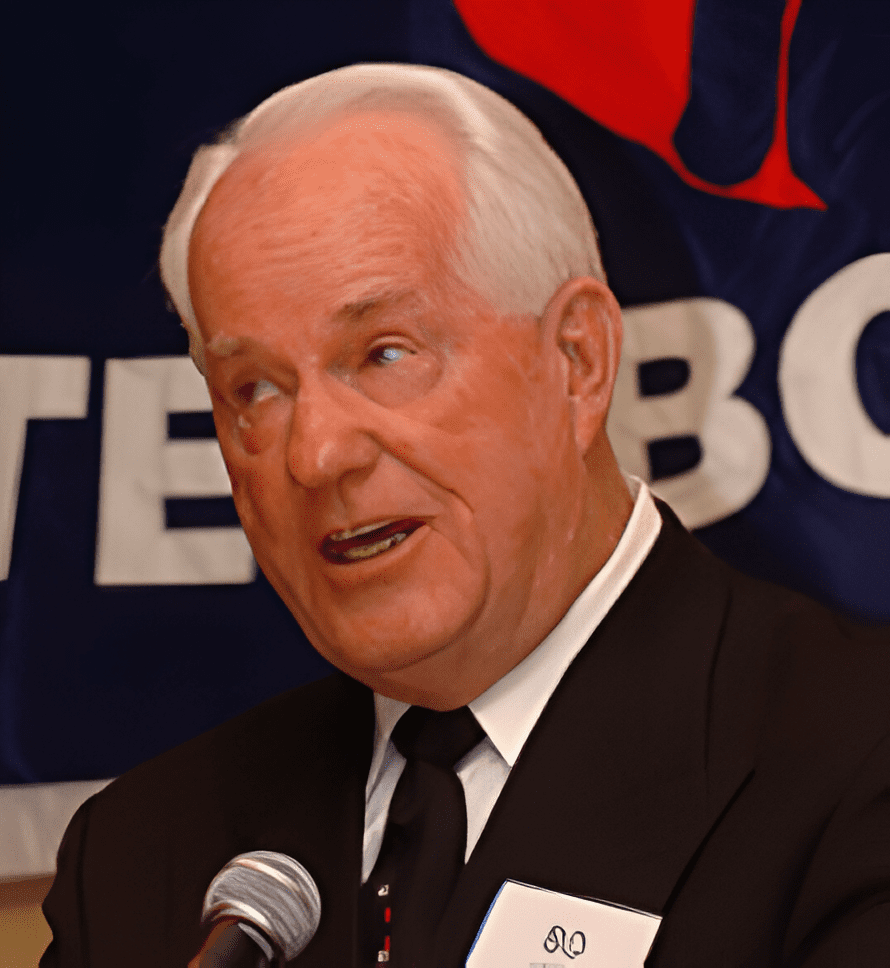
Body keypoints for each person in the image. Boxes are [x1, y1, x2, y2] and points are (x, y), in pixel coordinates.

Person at [40, 64, 888, 968]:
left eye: (384, 352)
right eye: (255, 388)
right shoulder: (140, 857)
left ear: (578, 361)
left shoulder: (857, 762)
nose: (316, 454)